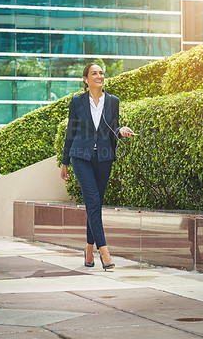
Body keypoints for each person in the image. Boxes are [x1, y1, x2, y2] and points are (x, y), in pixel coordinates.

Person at [60, 63, 135, 270]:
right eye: (94, 73)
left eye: (101, 73)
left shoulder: (112, 101)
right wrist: (65, 162)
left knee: (96, 205)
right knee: (92, 201)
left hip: (104, 157)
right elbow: (71, 132)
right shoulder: (77, 102)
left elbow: (113, 127)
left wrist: (121, 130)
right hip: (81, 157)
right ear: (86, 79)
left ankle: (88, 248)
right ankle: (104, 250)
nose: (99, 76)